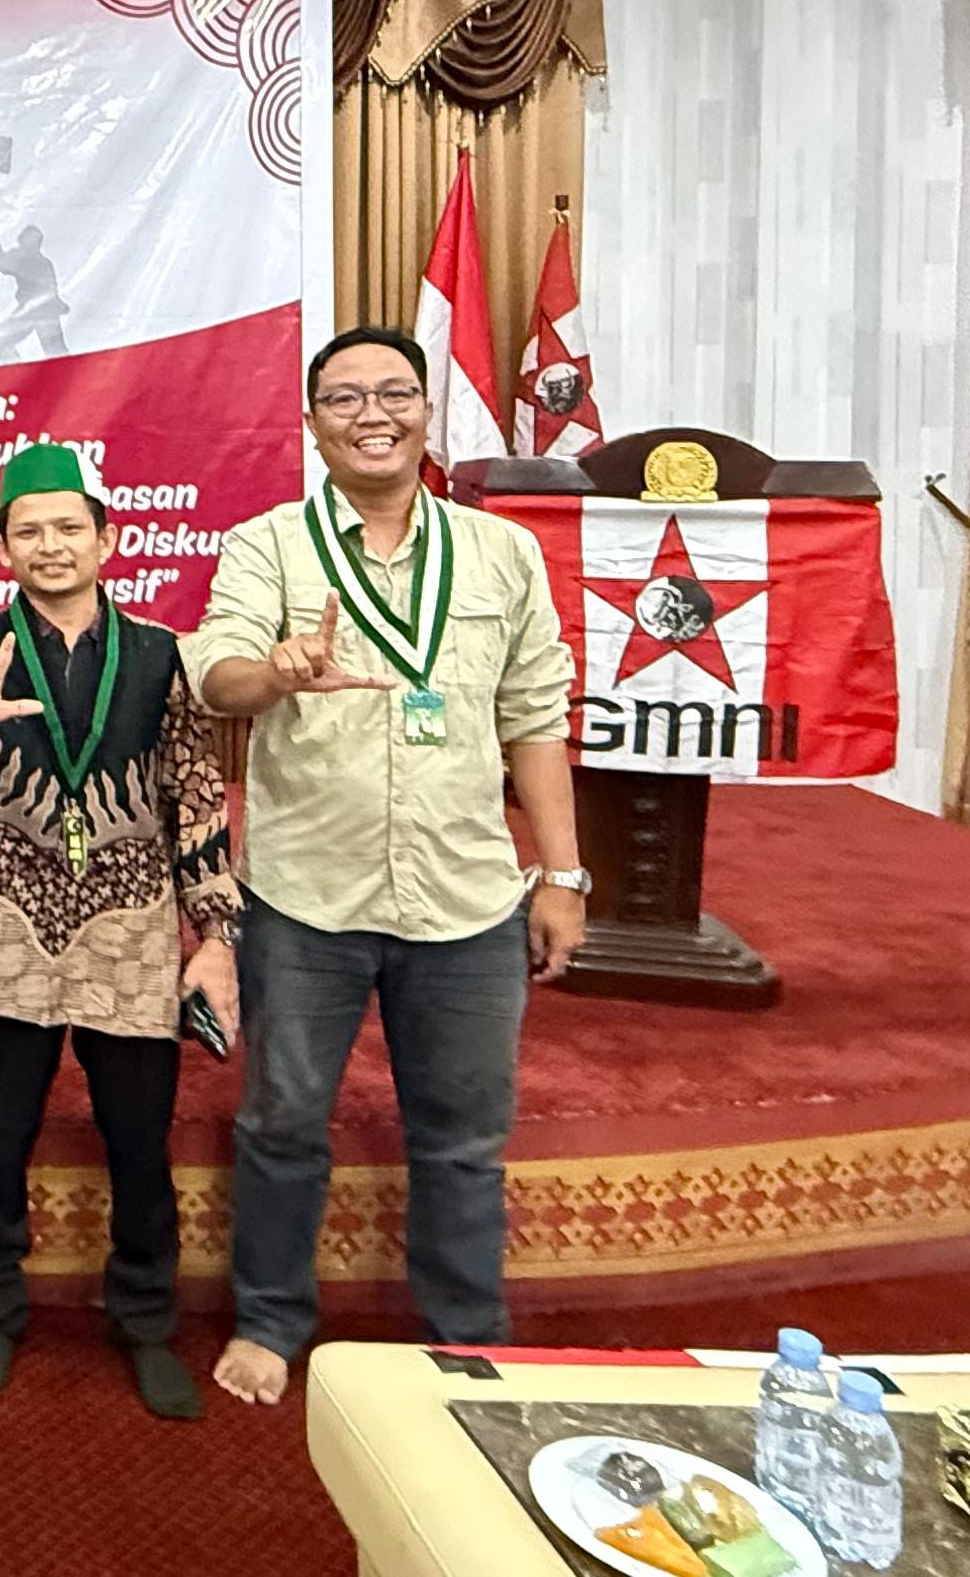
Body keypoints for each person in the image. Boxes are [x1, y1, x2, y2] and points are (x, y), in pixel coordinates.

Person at [181, 325, 589, 1407]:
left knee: (463, 1141)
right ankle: (271, 1320)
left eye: (395, 393)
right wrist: (275, 672)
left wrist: (563, 875)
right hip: (306, 897)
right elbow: (215, 675)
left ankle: (466, 1334)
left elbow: (535, 718)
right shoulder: (270, 546)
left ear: (425, 410)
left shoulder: (500, 553)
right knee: (282, 1124)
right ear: (313, 424)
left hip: (466, 899)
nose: (374, 414)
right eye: (346, 398)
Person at [0, 442, 239, 1418]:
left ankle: (145, 1321)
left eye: (68, 528)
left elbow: (195, 794)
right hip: (7, 919)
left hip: (130, 925)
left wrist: (215, 934)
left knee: (138, 1137)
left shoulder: (158, 654)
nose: (49, 546)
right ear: (1, 547)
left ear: (107, 539)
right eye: (28, 531)